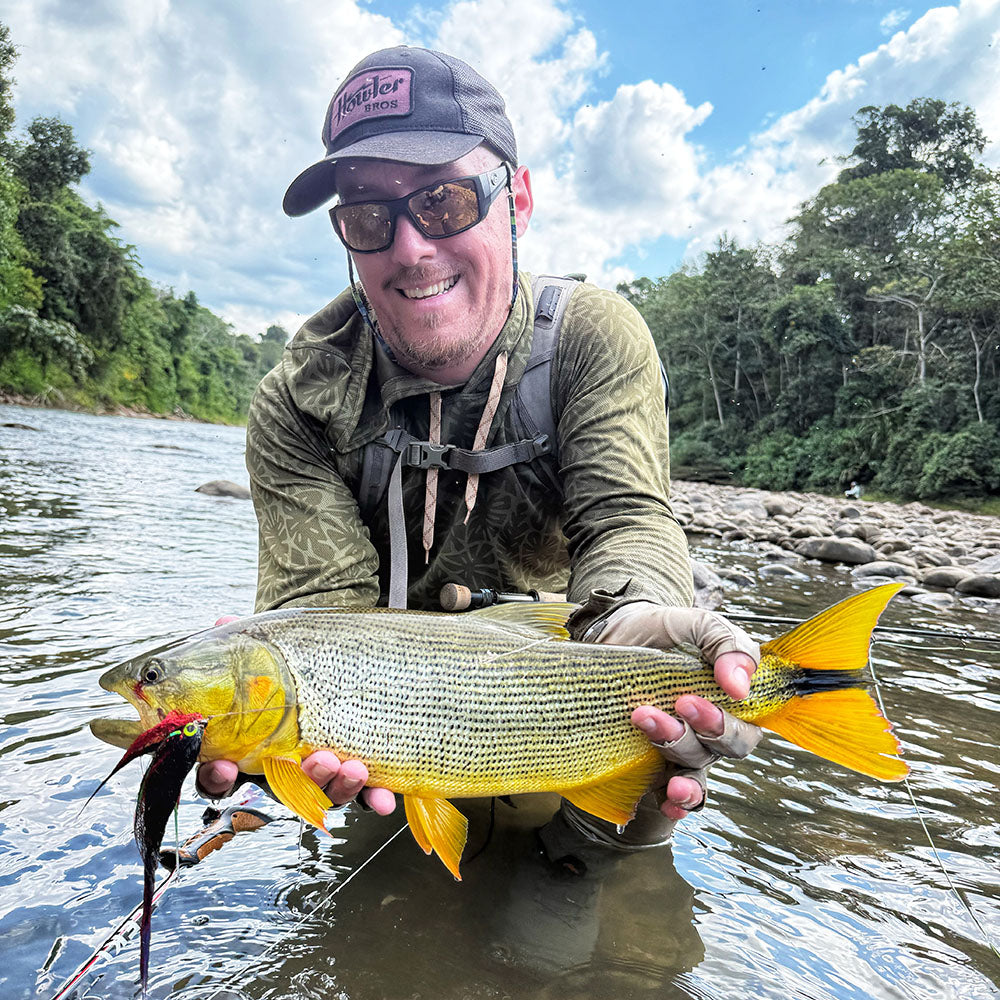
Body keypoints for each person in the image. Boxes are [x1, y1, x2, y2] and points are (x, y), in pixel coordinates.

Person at [197, 45, 762, 865]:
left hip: (571, 680)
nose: (411, 248)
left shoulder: (592, 339)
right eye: (367, 218)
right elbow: (321, 618)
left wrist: (632, 620)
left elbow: (629, 519)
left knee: (572, 926)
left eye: (446, 200)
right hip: (388, 728)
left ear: (517, 200)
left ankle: (583, 867)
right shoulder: (297, 401)